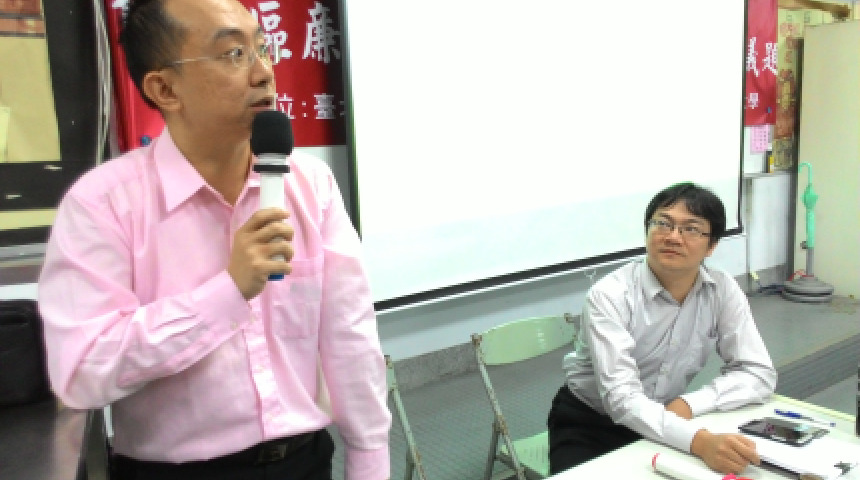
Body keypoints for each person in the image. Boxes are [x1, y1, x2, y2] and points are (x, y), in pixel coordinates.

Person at [37, 0, 391, 479]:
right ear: (164, 89)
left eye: (262, 48)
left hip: (304, 461)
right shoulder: (102, 205)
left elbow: (349, 333)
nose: (263, 73)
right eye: (233, 55)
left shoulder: (310, 184)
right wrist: (226, 293)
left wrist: (369, 458)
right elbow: (81, 373)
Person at [547, 182, 777, 476]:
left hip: (668, 415)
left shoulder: (722, 289)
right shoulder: (610, 295)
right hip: (591, 423)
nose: (673, 237)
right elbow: (621, 399)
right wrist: (700, 442)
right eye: (663, 224)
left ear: (712, 245)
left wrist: (687, 404)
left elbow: (758, 373)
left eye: (691, 229)